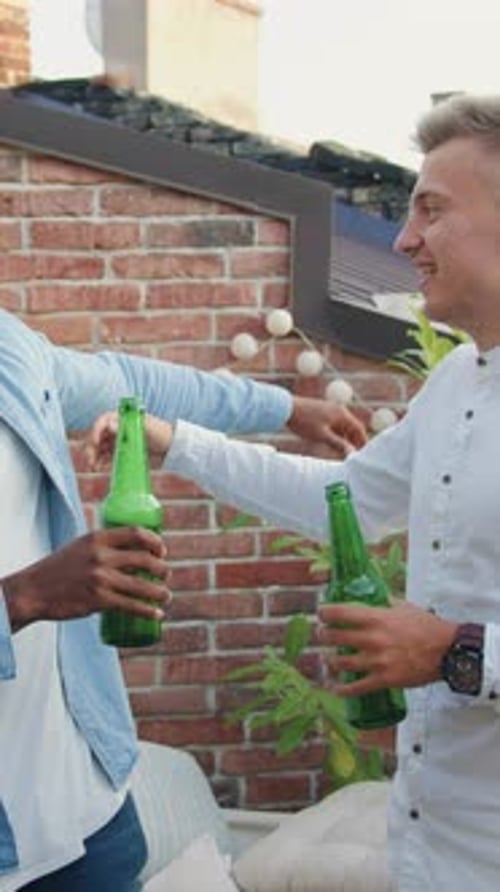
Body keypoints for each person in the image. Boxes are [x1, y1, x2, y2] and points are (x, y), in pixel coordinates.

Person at [89, 93, 500, 892]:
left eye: (431, 210)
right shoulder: (455, 383)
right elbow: (341, 496)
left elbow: (454, 644)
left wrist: (454, 651)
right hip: (430, 852)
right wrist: (179, 442)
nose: (406, 239)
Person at [0, 305, 366, 892]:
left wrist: (290, 409)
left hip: (91, 820)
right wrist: (23, 597)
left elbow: (133, 384)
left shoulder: (11, 351)